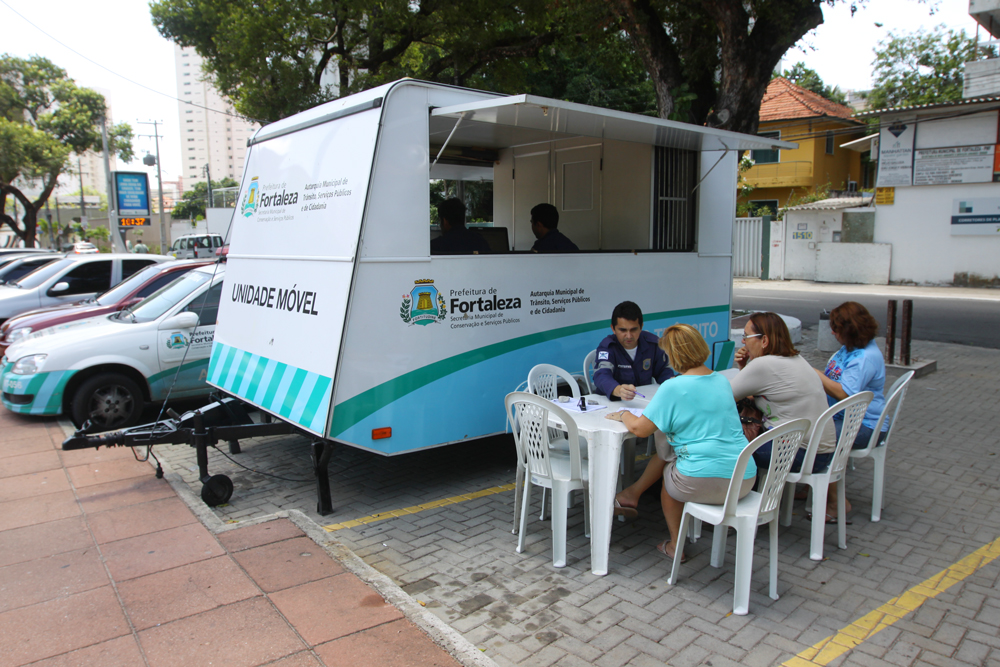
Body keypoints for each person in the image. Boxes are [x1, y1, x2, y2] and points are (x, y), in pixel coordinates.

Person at [606, 324, 755, 562]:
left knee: (670, 475)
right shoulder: (721, 381)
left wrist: (622, 414)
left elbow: (640, 429)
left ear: (674, 355)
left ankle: (676, 545)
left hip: (702, 481)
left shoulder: (673, 387)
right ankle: (632, 494)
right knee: (671, 451)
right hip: (745, 478)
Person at [729, 312, 837, 476]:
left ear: (764, 340)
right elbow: (757, 394)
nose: (743, 341)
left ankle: (746, 497)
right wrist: (744, 367)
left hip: (801, 453)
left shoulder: (764, 364)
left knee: (733, 449)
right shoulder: (795, 358)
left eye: (746, 336)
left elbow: (725, 398)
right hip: (821, 452)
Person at [816, 301, 887, 517]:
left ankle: (837, 503)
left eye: (836, 329)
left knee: (818, 438)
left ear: (848, 330)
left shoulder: (865, 358)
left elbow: (844, 393)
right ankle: (813, 487)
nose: (833, 333)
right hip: (846, 418)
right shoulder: (852, 347)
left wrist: (815, 374)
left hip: (865, 425)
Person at [593, 300, 674, 401]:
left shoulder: (652, 344)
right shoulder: (607, 347)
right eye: (623, 330)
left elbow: (662, 371)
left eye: (633, 329)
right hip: (615, 402)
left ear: (641, 327)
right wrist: (617, 390)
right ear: (613, 329)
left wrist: (672, 381)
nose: (629, 336)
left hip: (645, 401)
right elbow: (601, 375)